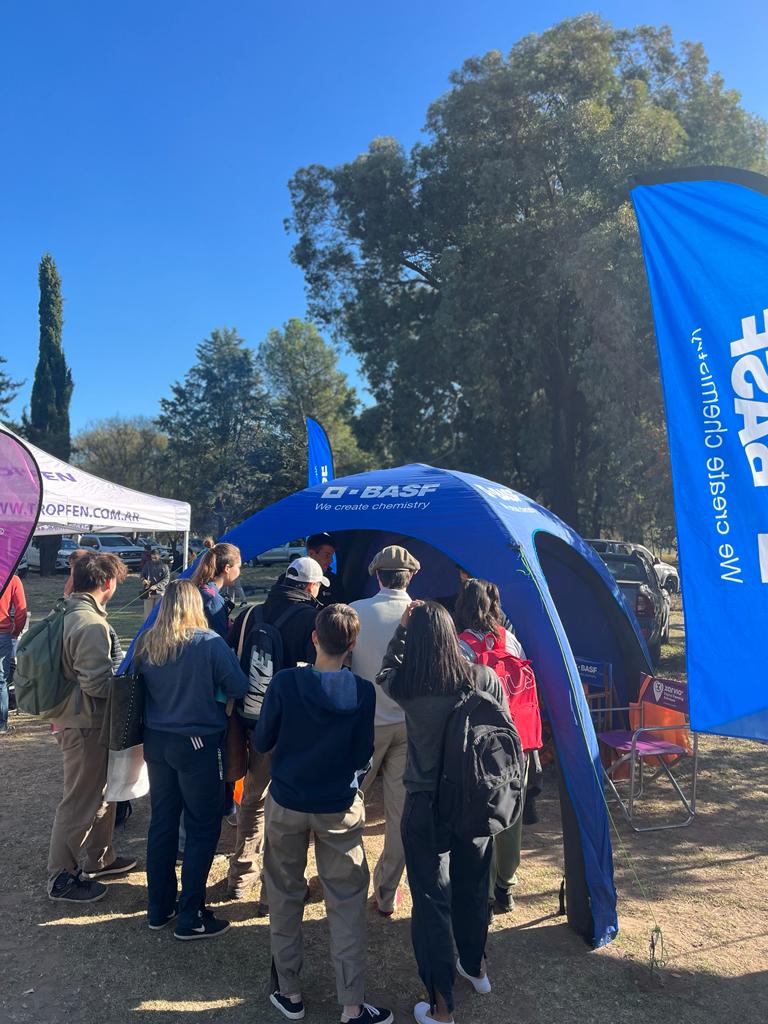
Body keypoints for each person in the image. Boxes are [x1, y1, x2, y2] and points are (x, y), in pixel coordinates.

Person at [254, 603, 392, 1024]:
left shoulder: (285, 684)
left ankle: (290, 990)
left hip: (288, 802)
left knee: (284, 891)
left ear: (315, 638)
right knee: (346, 903)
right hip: (338, 806)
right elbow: (362, 753)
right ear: (352, 644)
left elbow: (262, 741)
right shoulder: (364, 692)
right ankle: (351, 1004)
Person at [377, 601, 505, 1024]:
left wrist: (402, 628)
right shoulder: (484, 677)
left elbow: (384, 671)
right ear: (452, 636)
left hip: (425, 803)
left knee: (431, 903)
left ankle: (441, 1004)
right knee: (472, 887)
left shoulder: (411, 686)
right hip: (475, 800)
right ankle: (476, 966)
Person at [136, 579, 249, 938]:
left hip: (157, 741)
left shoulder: (146, 642)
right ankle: (191, 915)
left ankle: (159, 907)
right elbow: (240, 686)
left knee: (163, 822)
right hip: (198, 743)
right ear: (195, 606)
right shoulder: (209, 643)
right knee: (202, 827)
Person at [224, 555, 325, 905]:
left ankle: (241, 874)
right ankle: (276, 885)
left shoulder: (252, 612)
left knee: (253, 796)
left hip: (254, 718)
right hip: (294, 726)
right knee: (290, 807)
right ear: (311, 587)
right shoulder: (313, 619)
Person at [47, 552, 136, 903]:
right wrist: (128, 683)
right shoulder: (90, 624)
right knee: (79, 801)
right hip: (85, 725)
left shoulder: (70, 610)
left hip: (79, 720)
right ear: (108, 583)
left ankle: (101, 858)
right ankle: (61, 877)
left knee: (102, 792)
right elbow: (97, 685)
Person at [455, 578, 542, 915]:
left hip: (480, 745)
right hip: (518, 741)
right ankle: (506, 885)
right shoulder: (511, 640)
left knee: (482, 814)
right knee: (512, 814)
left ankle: (485, 891)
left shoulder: (461, 646)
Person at [349, 545, 420, 916]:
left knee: (349, 805)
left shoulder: (356, 612)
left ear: (377, 575)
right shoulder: (424, 615)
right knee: (399, 814)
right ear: (410, 576)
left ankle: (348, 877)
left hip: (366, 725)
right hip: (409, 725)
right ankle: (388, 890)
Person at [190, 542, 243, 638]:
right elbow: (219, 640)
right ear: (227, 568)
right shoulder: (213, 600)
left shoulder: (201, 589)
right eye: (238, 567)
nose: (239, 572)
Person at [0, 572, 27, 735]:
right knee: (1, 679)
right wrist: (15, 632)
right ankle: (1, 723)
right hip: (3, 633)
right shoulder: (12, 578)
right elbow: (21, 611)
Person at [306, 532, 345, 606]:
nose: (331, 561)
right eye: (327, 555)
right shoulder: (291, 578)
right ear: (311, 554)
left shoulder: (334, 581)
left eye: (332, 556)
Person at [141, 548, 171, 619]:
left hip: (160, 593)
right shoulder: (147, 564)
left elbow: (166, 579)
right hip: (148, 593)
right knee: (148, 615)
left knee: (158, 615)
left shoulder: (164, 566)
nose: (154, 556)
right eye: (152, 555)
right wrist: (143, 580)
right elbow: (142, 575)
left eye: (156, 555)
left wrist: (156, 586)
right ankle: (148, 629)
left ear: (159, 556)